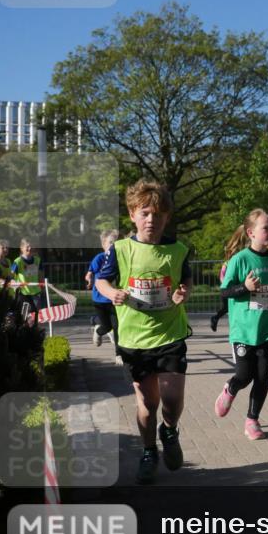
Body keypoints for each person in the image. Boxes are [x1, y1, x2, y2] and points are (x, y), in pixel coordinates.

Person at [95, 179, 193, 484]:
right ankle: (149, 451)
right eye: (145, 213)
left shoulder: (178, 249)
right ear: (133, 214)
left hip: (170, 334)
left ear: (167, 217)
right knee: (149, 405)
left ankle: (170, 431)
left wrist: (183, 293)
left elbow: (186, 280)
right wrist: (112, 294)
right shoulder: (121, 249)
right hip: (136, 339)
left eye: (158, 214)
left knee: (172, 398)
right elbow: (102, 281)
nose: (152, 220)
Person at [216, 210, 268, 440]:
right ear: (251, 233)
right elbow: (224, 291)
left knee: (262, 377)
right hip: (244, 331)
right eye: (266, 228)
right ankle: (230, 389)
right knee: (244, 375)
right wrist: (244, 287)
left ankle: (252, 420)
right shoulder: (239, 259)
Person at [85, 229, 122, 365]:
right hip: (100, 299)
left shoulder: (120, 258)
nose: (114, 246)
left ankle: (119, 354)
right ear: (103, 244)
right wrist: (89, 278)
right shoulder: (100, 258)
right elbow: (90, 272)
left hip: (115, 299)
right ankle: (97, 328)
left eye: (116, 243)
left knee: (117, 327)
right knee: (106, 327)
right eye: (111, 243)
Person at [210, 227, 249, 333]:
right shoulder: (233, 260)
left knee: (226, 308)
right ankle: (216, 318)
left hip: (239, 290)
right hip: (231, 290)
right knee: (229, 308)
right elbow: (223, 276)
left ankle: (215, 318)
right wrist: (229, 285)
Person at [11, 238, 44, 316]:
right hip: (23, 292)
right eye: (27, 246)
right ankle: (23, 327)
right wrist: (14, 283)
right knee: (25, 314)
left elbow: (41, 275)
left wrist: (42, 287)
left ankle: (35, 327)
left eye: (31, 246)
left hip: (36, 292)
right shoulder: (17, 261)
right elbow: (10, 275)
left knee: (36, 314)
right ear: (21, 248)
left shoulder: (38, 260)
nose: (30, 248)